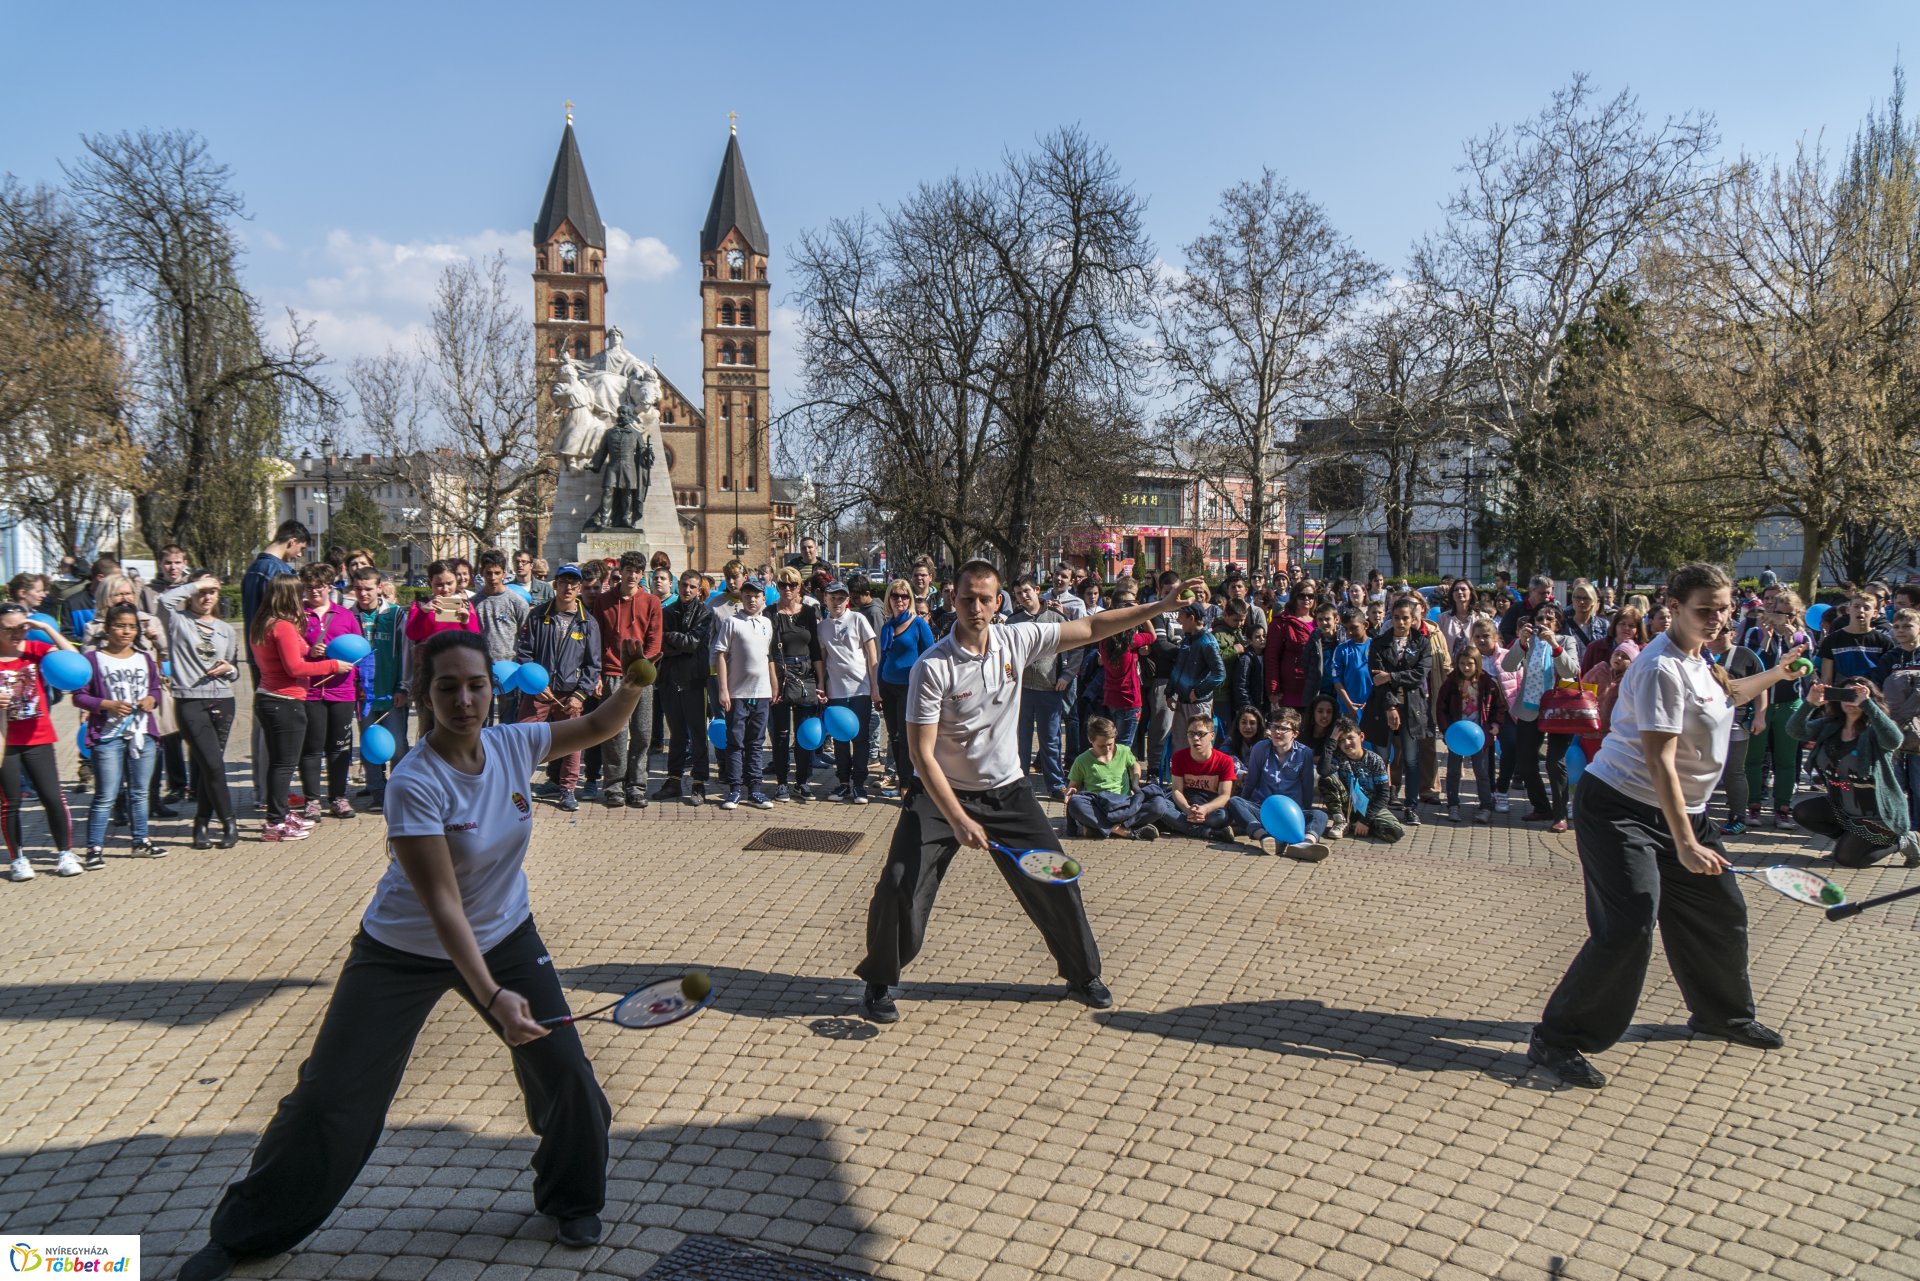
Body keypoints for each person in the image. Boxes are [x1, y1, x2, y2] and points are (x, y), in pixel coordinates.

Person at [176, 631, 659, 1281]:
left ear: (495, 687)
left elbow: (599, 723)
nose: (464, 699)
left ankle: (572, 1199)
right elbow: (441, 904)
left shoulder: (516, 743)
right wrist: (491, 994)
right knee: (330, 1098)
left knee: (567, 1072)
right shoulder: (414, 780)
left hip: (506, 933)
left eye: (476, 684)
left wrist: (634, 682)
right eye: (447, 686)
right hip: (401, 949)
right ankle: (243, 1233)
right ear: (423, 696)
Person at [854, 562, 1203, 1023]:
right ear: (951, 600)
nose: (975, 607)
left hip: (1008, 792)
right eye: (966, 598)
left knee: (1058, 877)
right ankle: (880, 980)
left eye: (984, 598)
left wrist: (1160, 606)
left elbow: (1094, 625)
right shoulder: (932, 667)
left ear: (999, 602)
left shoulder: (1016, 640)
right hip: (940, 796)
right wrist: (958, 818)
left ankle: (1082, 975)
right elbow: (921, 755)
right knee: (900, 880)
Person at [1528, 563, 1805, 1091]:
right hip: (1620, 809)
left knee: (1722, 910)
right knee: (1630, 922)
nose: (1718, 618)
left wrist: (1779, 672)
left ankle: (1720, 1014)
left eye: (1724, 608)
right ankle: (1558, 1038)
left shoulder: (1702, 660)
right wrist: (1685, 844)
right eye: (1705, 609)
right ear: (1673, 608)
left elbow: (1727, 695)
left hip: (1683, 813)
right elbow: (1660, 762)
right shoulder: (1660, 668)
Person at [252, 578, 356, 843]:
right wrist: (332, 666)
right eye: (299, 595)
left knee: (279, 763)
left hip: (270, 698)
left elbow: (290, 658)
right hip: (285, 701)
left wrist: (312, 651)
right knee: (284, 765)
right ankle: (276, 823)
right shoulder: (284, 626)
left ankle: (280, 815)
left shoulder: (264, 622)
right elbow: (295, 669)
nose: (303, 600)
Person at [1788, 676, 1920, 868]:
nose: (1850, 701)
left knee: (1847, 860)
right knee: (1803, 812)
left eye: (1855, 695)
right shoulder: (1830, 725)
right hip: (1844, 807)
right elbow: (1795, 731)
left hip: (1879, 814)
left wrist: (1867, 705)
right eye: (1845, 695)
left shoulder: (1875, 729)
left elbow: (1894, 740)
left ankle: (1903, 841)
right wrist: (1809, 704)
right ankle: (1848, 840)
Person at [73, 604, 169, 865]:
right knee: (106, 794)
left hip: (142, 734)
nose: (126, 631)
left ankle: (141, 841)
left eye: (131, 626)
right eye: (119, 625)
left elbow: (155, 689)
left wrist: (152, 699)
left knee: (140, 792)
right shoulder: (93, 659)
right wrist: (107, 705)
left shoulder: (143, 657)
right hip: (107, 736)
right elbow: (79, 696)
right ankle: (94, 848)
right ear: (107, 628)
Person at [0, 603, 80, 880]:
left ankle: (65, 853)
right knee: (10, 802)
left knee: (52, 797)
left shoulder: (35, 651)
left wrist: (45, 628)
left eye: (21, 627)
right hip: (5, 741)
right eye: (8, 629)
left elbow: (74, 659)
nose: (15, 634)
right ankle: (18, 859)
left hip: (38, 737)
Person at [161, 574, 241, 849]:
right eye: (201, 592)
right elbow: (164, 601)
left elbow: (234, 670)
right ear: (191, 593)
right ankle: (229, 821)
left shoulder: (226, 629)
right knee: (214, 765)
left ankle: (201, 823)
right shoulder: (178, 621)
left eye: (212, 593)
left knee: (211, 766)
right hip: (190, 700)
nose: (207, 598)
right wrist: (196, 584)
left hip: (222, 699)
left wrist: (229, 669)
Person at [515, 565, 602, 813]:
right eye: (563, 582)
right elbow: (524, 654)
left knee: (572, 744)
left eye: (574, 584)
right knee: (523, 739)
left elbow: (593, 665)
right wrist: (536, 683)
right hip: (538, 691)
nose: (568, 588)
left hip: (569, 694)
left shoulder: (588, 623)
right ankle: (517, 788)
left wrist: (580, 694)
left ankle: (567, 790)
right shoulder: (537, 616)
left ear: (579, 588)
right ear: (555, 585)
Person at [586, 551, 663, 808]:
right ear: (621, 571)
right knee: (615, 733)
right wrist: (597, 673)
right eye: (628, 570)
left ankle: (637, 786)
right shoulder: (605, 601)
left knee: (642, 733)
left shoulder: (651, 601)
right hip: (612, 673)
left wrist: (644, 664)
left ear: (642, 575)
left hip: (641, 676)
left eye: (637, 572)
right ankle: (614, 787)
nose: (632, 576)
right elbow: (596, 639)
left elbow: (654, 640)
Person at [1503, 602, 1584, 831]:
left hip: (1559, 708)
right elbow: (1508, 665)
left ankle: (1560, 815)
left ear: (1557, 623)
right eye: (1540, 619)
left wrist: (1554, 645)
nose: (1544, 624)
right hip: (1531, 707)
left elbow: (1571, 671)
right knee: (1526, 761)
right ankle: (1541, 807)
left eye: (1549, 620)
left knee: (1554, 762)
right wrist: (1521, 642)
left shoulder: (1566, 641)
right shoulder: (1529, 642)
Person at [1363, 597, 1435, 826]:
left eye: (1406, 618)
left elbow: (1419, 675)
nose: (1401, 622)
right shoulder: (1379, 642)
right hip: (1382, 707)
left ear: (1414, 618)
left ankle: (1410, 806)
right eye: (1396, 617)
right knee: (1381, 759)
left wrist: (1392, 676)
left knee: (1411, 760)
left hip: (1413, 708)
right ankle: (1380, 804)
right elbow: (1377, 678)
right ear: (1390, 617)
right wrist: (1391, 706)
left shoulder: (1422, 643)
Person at [300, 563, 363, 821]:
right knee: (312, 748)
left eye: (320, 587)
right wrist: (308, 651)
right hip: (311, 691)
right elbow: (288, 651)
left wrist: (359, 684)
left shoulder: (345, 616)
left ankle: (338, 797)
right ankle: (311, 800)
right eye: (310, 587)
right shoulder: (298, 615)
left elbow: (360, 652)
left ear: (330, 586)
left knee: (339, 747)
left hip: (342, 691)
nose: (315, 592)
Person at [1225, 708, 1330, 859]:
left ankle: (1305, 845)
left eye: (1283, 728)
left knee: (1320, 815)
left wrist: (1304, 812)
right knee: (1235, 802)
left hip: (1292, 813)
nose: (1277, 732)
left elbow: (1307, 787)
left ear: (1295, 733)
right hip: (1263, 809)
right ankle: (1265, 838)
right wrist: (1243, 810)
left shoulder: (1305, 753)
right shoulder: (1260, 748)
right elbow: (1251, 782)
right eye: (1274, 726)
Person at [350, 568, 409, 812]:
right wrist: (353, 687)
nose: (363, 594)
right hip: (363, 695)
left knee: (397, 745)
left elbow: (406, 653)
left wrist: (403, 686)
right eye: (359, 589)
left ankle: (400, 791)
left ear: (379, 588)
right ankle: (377, 792)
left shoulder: (395, 615)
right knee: (369, 745)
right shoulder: (348, 616)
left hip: (391, 691)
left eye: (368, 588)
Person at [655, 569, 715, 805]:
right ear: (678, 586)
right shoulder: (667, 612)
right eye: (684, 585)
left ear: (699, 590)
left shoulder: (705, 613)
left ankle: (699, 783)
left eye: (692, 586)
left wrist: (671, 638)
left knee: (698, 734)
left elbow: (693, 644)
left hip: (694, 680)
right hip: (670, 679)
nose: (687, 590)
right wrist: (677, 642)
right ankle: (673, 780)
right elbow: (660, 646)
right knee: (676, 733)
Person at [715, 578, 775, 810]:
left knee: (757, 743)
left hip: (761, 693)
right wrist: (723, 689)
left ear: (763, 598)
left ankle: (756, 790)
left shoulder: (766, 623)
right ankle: (735, 790)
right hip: (737, 693)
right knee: (735, 742)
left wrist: (773, 685)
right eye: (748, 595)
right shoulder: (731, 622)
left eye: (757, 596)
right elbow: (720, 654)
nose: (752, 599)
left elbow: (767, 657)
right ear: (742, 597)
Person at [818, 580, 880, 804]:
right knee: (840, 739)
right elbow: (823, 660)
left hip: (860, 689)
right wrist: (822, 686)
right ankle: (843, 782)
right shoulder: (822, 627)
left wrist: (875, 686)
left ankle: (859, 785)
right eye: (833, 597)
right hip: (836, 691)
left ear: (848, 600)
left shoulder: (858, 619)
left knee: (860, 738)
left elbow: (872, 655)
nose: (837, 602)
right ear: (825, 598)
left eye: (841, 598)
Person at [765, 567, 824, 803]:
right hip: (780, 674)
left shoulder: (809, 612)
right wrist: (773, 684)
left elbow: (816, 649)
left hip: (806, 675)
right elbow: (768, 653)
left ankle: (802, 781)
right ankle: (781, 782)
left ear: (800, 587)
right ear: (777, 586)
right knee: (780, 734)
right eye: (782, 585)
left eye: (792, 585)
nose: (787, 589)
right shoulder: (770, 612)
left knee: (804, 734)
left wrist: (821, 682)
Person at [1062, 714, 1172, 840]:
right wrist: (1071, 791)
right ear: (1090, 740)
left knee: (1159, 804)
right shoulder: (1081, 760)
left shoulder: (1124, 751)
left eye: (1110, 744)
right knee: (1075, 803)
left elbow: (1135, 765)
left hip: (1124, 804)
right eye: (1102, 746)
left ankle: (1099, 828)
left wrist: (1135, 783)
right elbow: (1074, 786)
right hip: (1098, 805)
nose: (1108, 749)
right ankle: (1124, 831)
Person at [404, 561, 481, 740]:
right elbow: (412, 633)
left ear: (456, 581)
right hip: (428, 672)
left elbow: (476, 639)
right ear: (430, 582)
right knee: (428, 723)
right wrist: (423, 612)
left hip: (458, 672)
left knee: (457, 719)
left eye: (449, 583)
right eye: (439, 584)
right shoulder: (420, 604)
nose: (445, 589)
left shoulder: (466, 605)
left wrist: (466, 621)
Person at [1008, 577, 1070, 800]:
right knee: (1020, 739)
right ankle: (1019, 782)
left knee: (1050, 739)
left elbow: (1076, 648)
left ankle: (1055, 784)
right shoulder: (1013, 621)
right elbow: (1005, 654)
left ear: (1036, 590)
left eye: (1026, 591)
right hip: (1022, 690)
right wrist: (1009, 678)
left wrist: (1067, 675)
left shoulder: (1056, 618)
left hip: (1049, 687)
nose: (1023, 596)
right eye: (1017, 593)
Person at [876, 579, 936, 794]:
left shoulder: (918, 623)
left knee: (905, 737)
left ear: (909, 599)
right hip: (888, 687)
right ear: (889, 599)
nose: (899, 600)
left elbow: (931, 655)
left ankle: (907, 784)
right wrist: (877, 689)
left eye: (904, 596)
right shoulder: (887, 626)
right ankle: (902, 780)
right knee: (893, 736)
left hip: (909, 688)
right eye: (895, 596)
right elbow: (883, 657)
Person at [1436, 644, 1507, 824]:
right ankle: (1453, 805)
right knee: (1453, 771)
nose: (1466, 668)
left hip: (1480, 736)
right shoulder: (1451, 683)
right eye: (1462, 664)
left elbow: (1499, 706)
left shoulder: (1488, 683)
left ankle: (1485, 806)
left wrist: (1496, 725)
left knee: (1482, 772)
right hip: (1457, 736)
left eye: (1470, 664)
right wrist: (1446, 730)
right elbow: (1441, 708)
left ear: (1477, 664)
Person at [1705, 621, 1765, 835]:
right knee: (1704, 770)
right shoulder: (1700, 653)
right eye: (1715, 631)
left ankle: (1738, 817)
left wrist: (1760, 716)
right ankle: (1699, 817)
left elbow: (1761, 686)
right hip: (1705, 723)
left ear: (1732, 633)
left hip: (1736, 721)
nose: (1719, 636)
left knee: (1734, 771)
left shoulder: (1745, 655)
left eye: (1724, 631)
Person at [1318, 718, 1402, 842]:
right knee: (1326, 779)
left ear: (1361, 737)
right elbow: (1323, 770)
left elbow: (1383, 795)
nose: (1346, 743)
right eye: (1341, 740)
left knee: (1394, 832)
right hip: (1348, 806)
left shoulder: (1375, 760)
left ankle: (1357, 825)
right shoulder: (1339, 758)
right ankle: (1341, 821)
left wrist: (1365, 821)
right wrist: (1332, 740)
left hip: (1370, 807)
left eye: (1350, 738)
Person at [473, 551, 531, 726]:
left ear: (504, 573)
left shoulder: (517, 602)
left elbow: (526, 635)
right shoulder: (474, 603)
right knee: (483, 720)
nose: (493, 577)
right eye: (488, 573)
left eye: (497, 573)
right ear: (482, 572)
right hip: (482, 670)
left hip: (510, 669)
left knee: (508, 721)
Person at [1167, 715, 1237, 841]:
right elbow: (1176, 790)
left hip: (1210, 807)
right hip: (1186, 804)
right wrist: (1187, 810)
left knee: (1221, 817)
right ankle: (1208, 832)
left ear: (1212, 736)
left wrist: (1204, 809)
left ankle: (1178, 825)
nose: (1195, 738)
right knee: (1161, 806)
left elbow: (1225, 795)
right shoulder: (1178, 757)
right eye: (1191, 734)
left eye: (1200, 734)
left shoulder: (1225, 761)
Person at [1168, 603, 1225, 731]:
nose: (1178, 619)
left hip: (1198, 704)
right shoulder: (1187, 640)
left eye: (1181, 615)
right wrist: (1169, 692)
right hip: (1182, 702)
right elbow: (1178, 667)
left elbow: (1219, 673)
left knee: (1198, 743)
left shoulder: (1207, 641)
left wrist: (1199, 692)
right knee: (1180, 746)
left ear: (1191, 618)